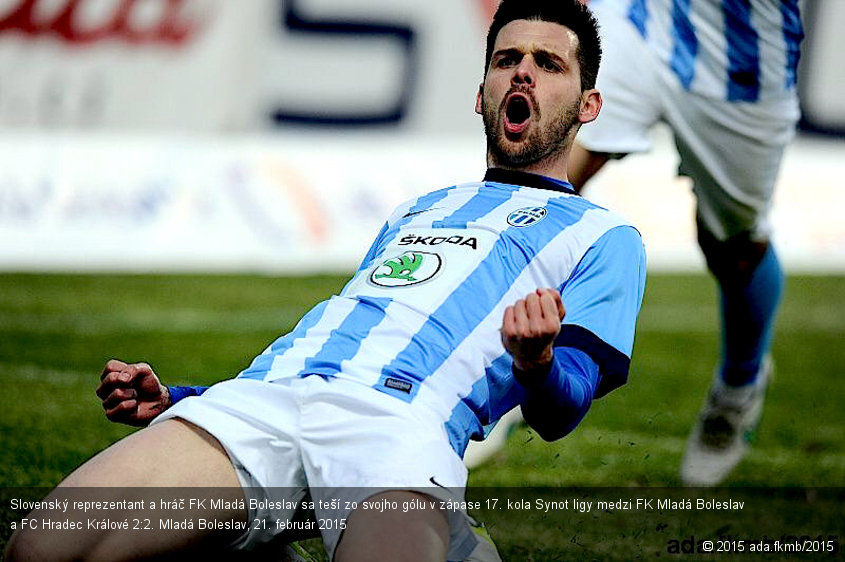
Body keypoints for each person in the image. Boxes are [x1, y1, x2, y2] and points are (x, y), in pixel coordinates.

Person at [5, 1, 646, 560]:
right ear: (481, 93)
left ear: (588, 106)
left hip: (398, 428)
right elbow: (348, 342)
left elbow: (564, 409)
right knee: (40, 549)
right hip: (266, 401)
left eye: (548, 63)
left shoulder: (605, 236)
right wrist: (179, 398)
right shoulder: (421, 208)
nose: (524, 71)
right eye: (507, 59)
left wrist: (535, 364)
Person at [566, 0, 802, 486]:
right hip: (640, 18)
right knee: (544, 180)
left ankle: (740, 384)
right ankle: (498, 368)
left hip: (743, 52)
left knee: (734, 251)